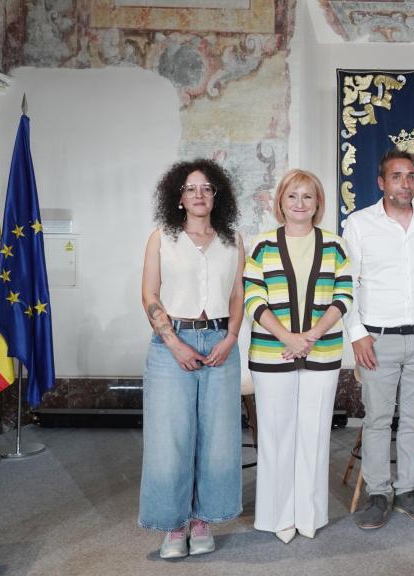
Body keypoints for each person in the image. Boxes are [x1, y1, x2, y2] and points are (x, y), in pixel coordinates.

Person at [139, 159, 244, 559]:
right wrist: (174, 343)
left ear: (217, 195)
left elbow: (237, 295)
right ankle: (173, 526)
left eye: (206, 188)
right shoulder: (161, 238)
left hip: (220, 342)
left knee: (216, 439)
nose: (198, 195)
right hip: (172, 345)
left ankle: (202, 520)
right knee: (171, 439)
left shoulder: (233, 239)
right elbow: (150, 295)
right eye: (190, 189)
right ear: (178, 197)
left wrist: (232, 337)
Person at [244, 169, 353, 543]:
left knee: (315, 433)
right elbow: (253, 299)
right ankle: (277, 516)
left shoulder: (335, 246)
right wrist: (288, 338)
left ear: (318, 203)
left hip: (322, 353)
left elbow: (344, 297)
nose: (300, 204)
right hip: (271, 352)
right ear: (280, 202)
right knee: (276, 435)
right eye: (292, 196)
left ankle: (309, 513)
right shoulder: (262, 245)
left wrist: (311, 337)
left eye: (307, 197)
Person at [343, 148, 414, 529]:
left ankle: (406, 489)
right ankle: (378, 493)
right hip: (376, 339)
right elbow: (346, 284)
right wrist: (357, 335)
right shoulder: (359, 223)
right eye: (397, 177)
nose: (405, 183)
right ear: (382, 182)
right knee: (378, 419)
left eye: (410, 176)